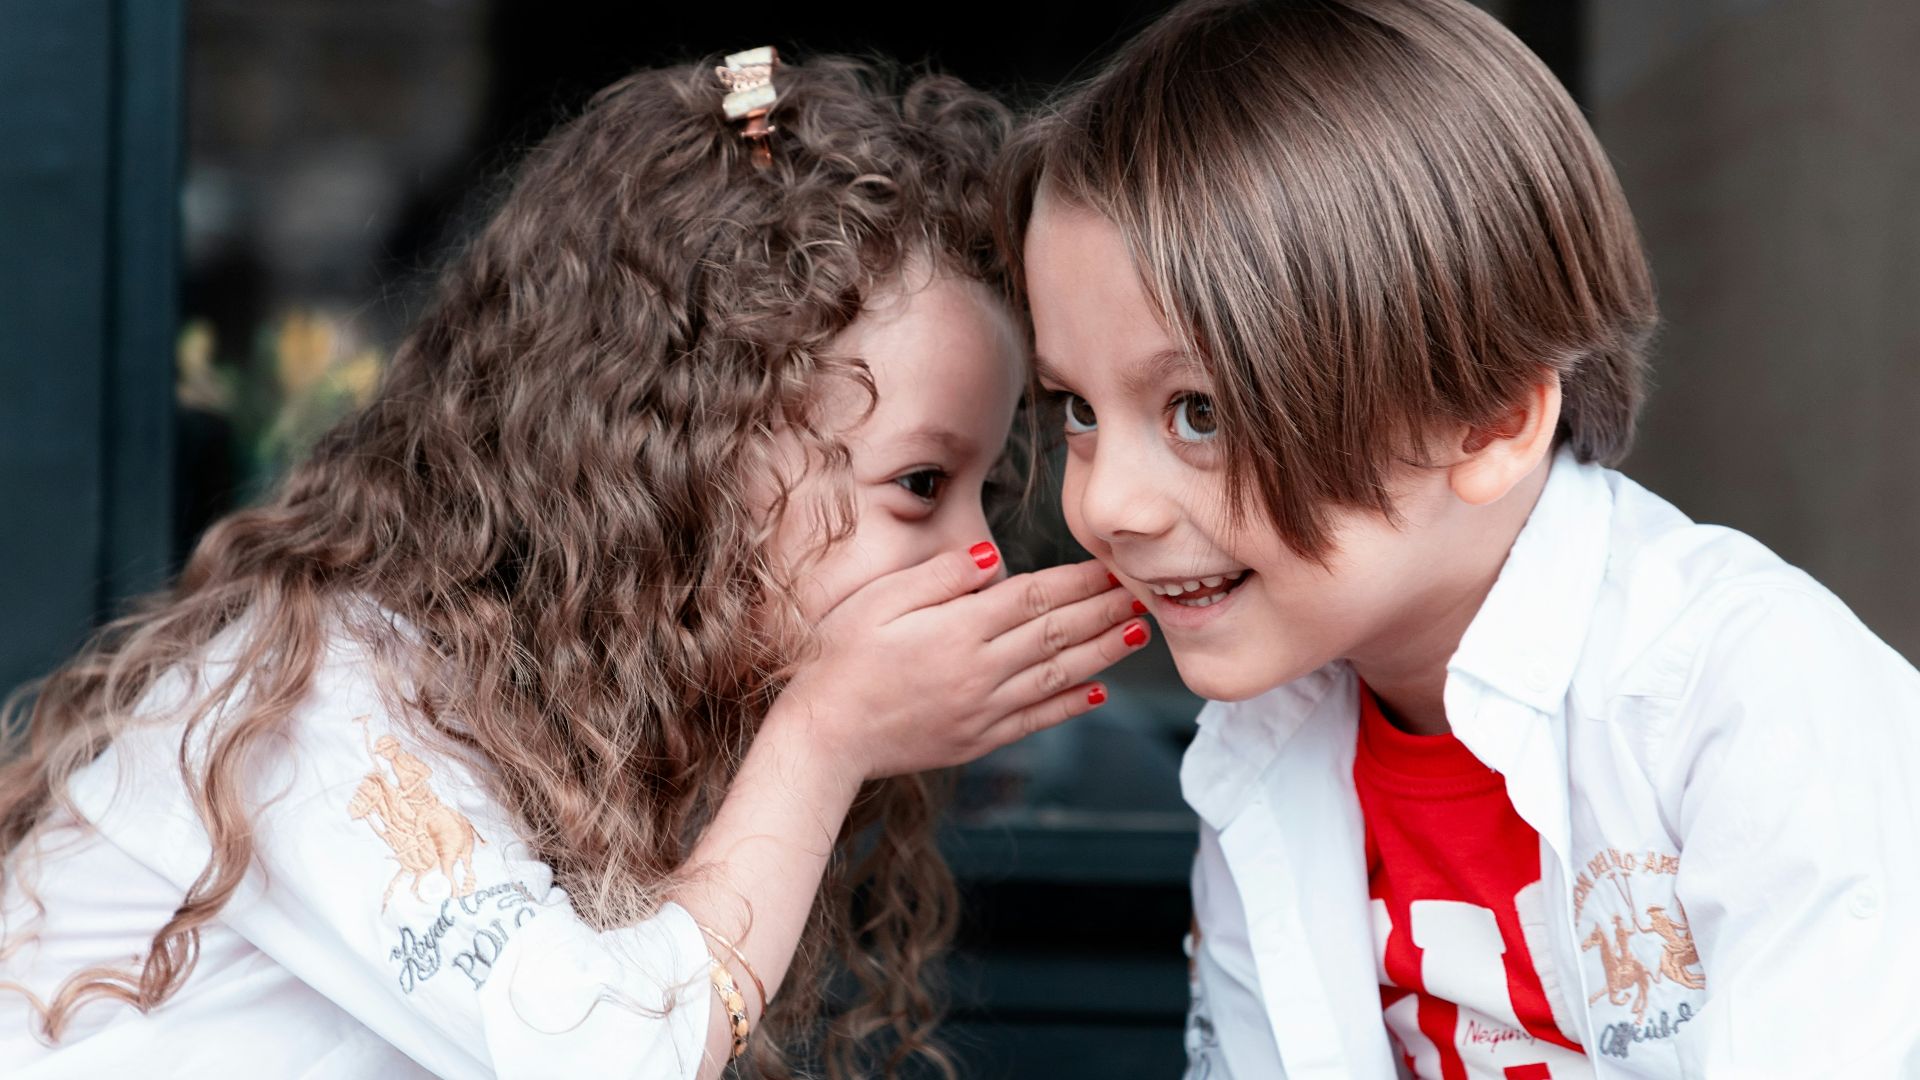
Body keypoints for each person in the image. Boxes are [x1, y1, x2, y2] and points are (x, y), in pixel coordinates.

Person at [0, 50, 1151, 1079]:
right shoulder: (321, 694)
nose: (977, 557)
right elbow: (605, 1058)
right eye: (919, 486)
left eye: (988, 493)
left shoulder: (590, 711)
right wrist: (827, 734)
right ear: (685, 456)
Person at [997, 1, 1920, 1075]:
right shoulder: (1263, 747)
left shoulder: (1750, 699)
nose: (1109, 505)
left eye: (1200, 411)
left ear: (1490, 421)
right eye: (1077, 409)